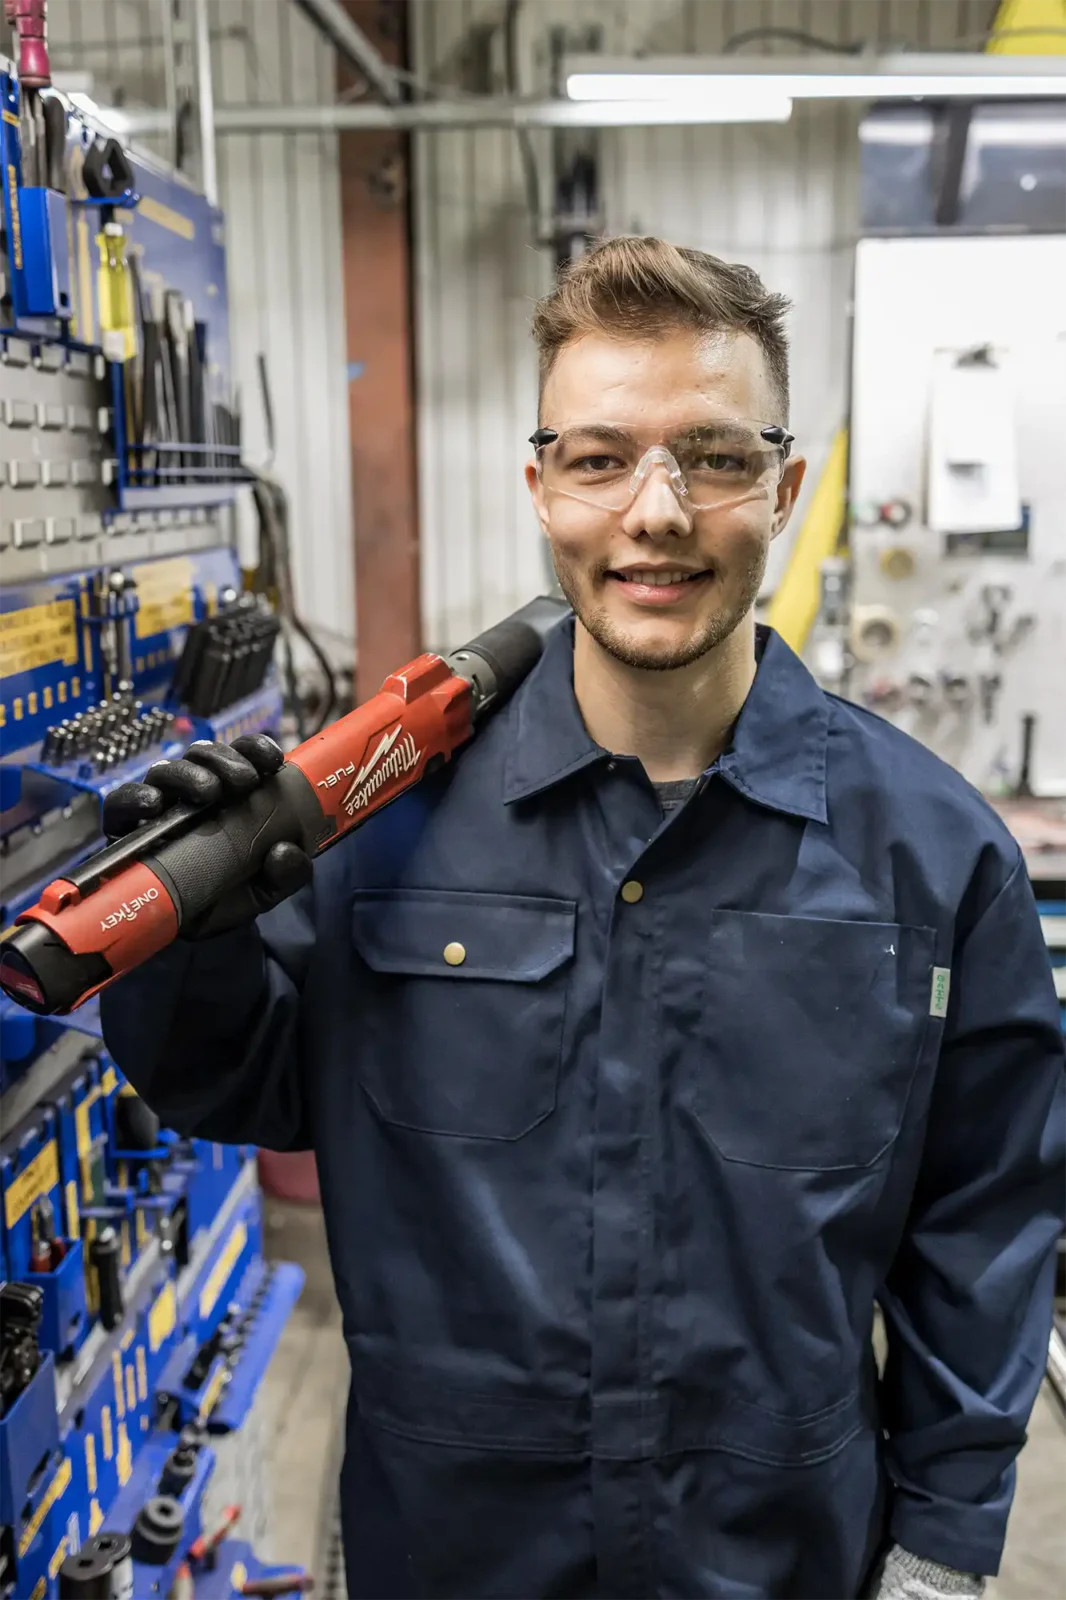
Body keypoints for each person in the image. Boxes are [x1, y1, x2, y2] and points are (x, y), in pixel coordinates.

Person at [101, 236, 1066, 1600]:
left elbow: (985, 1218)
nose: (655, 510)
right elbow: (233, 1079)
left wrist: (943, 1541)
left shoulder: (928, 852)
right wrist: (193, 919)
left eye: (715, 457)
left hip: (776, 1562)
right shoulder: (380, 821)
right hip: (454, 1554)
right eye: (601, 457)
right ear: (542, 485)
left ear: (782, 488)